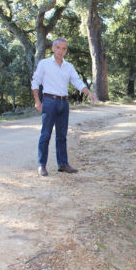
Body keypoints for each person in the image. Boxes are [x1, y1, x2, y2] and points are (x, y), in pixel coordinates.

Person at [31, 37, 97, 176]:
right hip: (49, 101)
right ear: (53, 48)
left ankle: (63, 164)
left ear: (66, 50)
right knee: (46, 134)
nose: (61, 51)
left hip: (63, 103)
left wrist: (89, 93)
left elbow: (77, 82)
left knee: (62, 136)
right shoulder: (44, 64)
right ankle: (41, 165)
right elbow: (35, 81)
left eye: (64, 48)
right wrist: (37, 100)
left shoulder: (69, 66)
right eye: (58, 48)